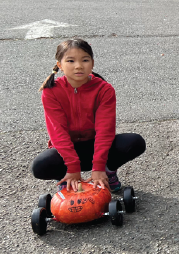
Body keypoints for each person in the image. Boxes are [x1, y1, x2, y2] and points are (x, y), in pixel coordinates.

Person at [31, 39, 146, 192]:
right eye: (70, 61)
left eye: (85, 60)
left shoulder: (104, 90)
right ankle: (65, 178)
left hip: (96, 146)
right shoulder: (51, 91)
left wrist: (98, 167)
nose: (78, 66)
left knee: (135, 142)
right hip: (67, 151)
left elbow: (105, 130)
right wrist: (72, 167)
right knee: (39, 166)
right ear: (60, 65)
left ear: (92, 63)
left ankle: (108, 171)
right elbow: (58, 132)